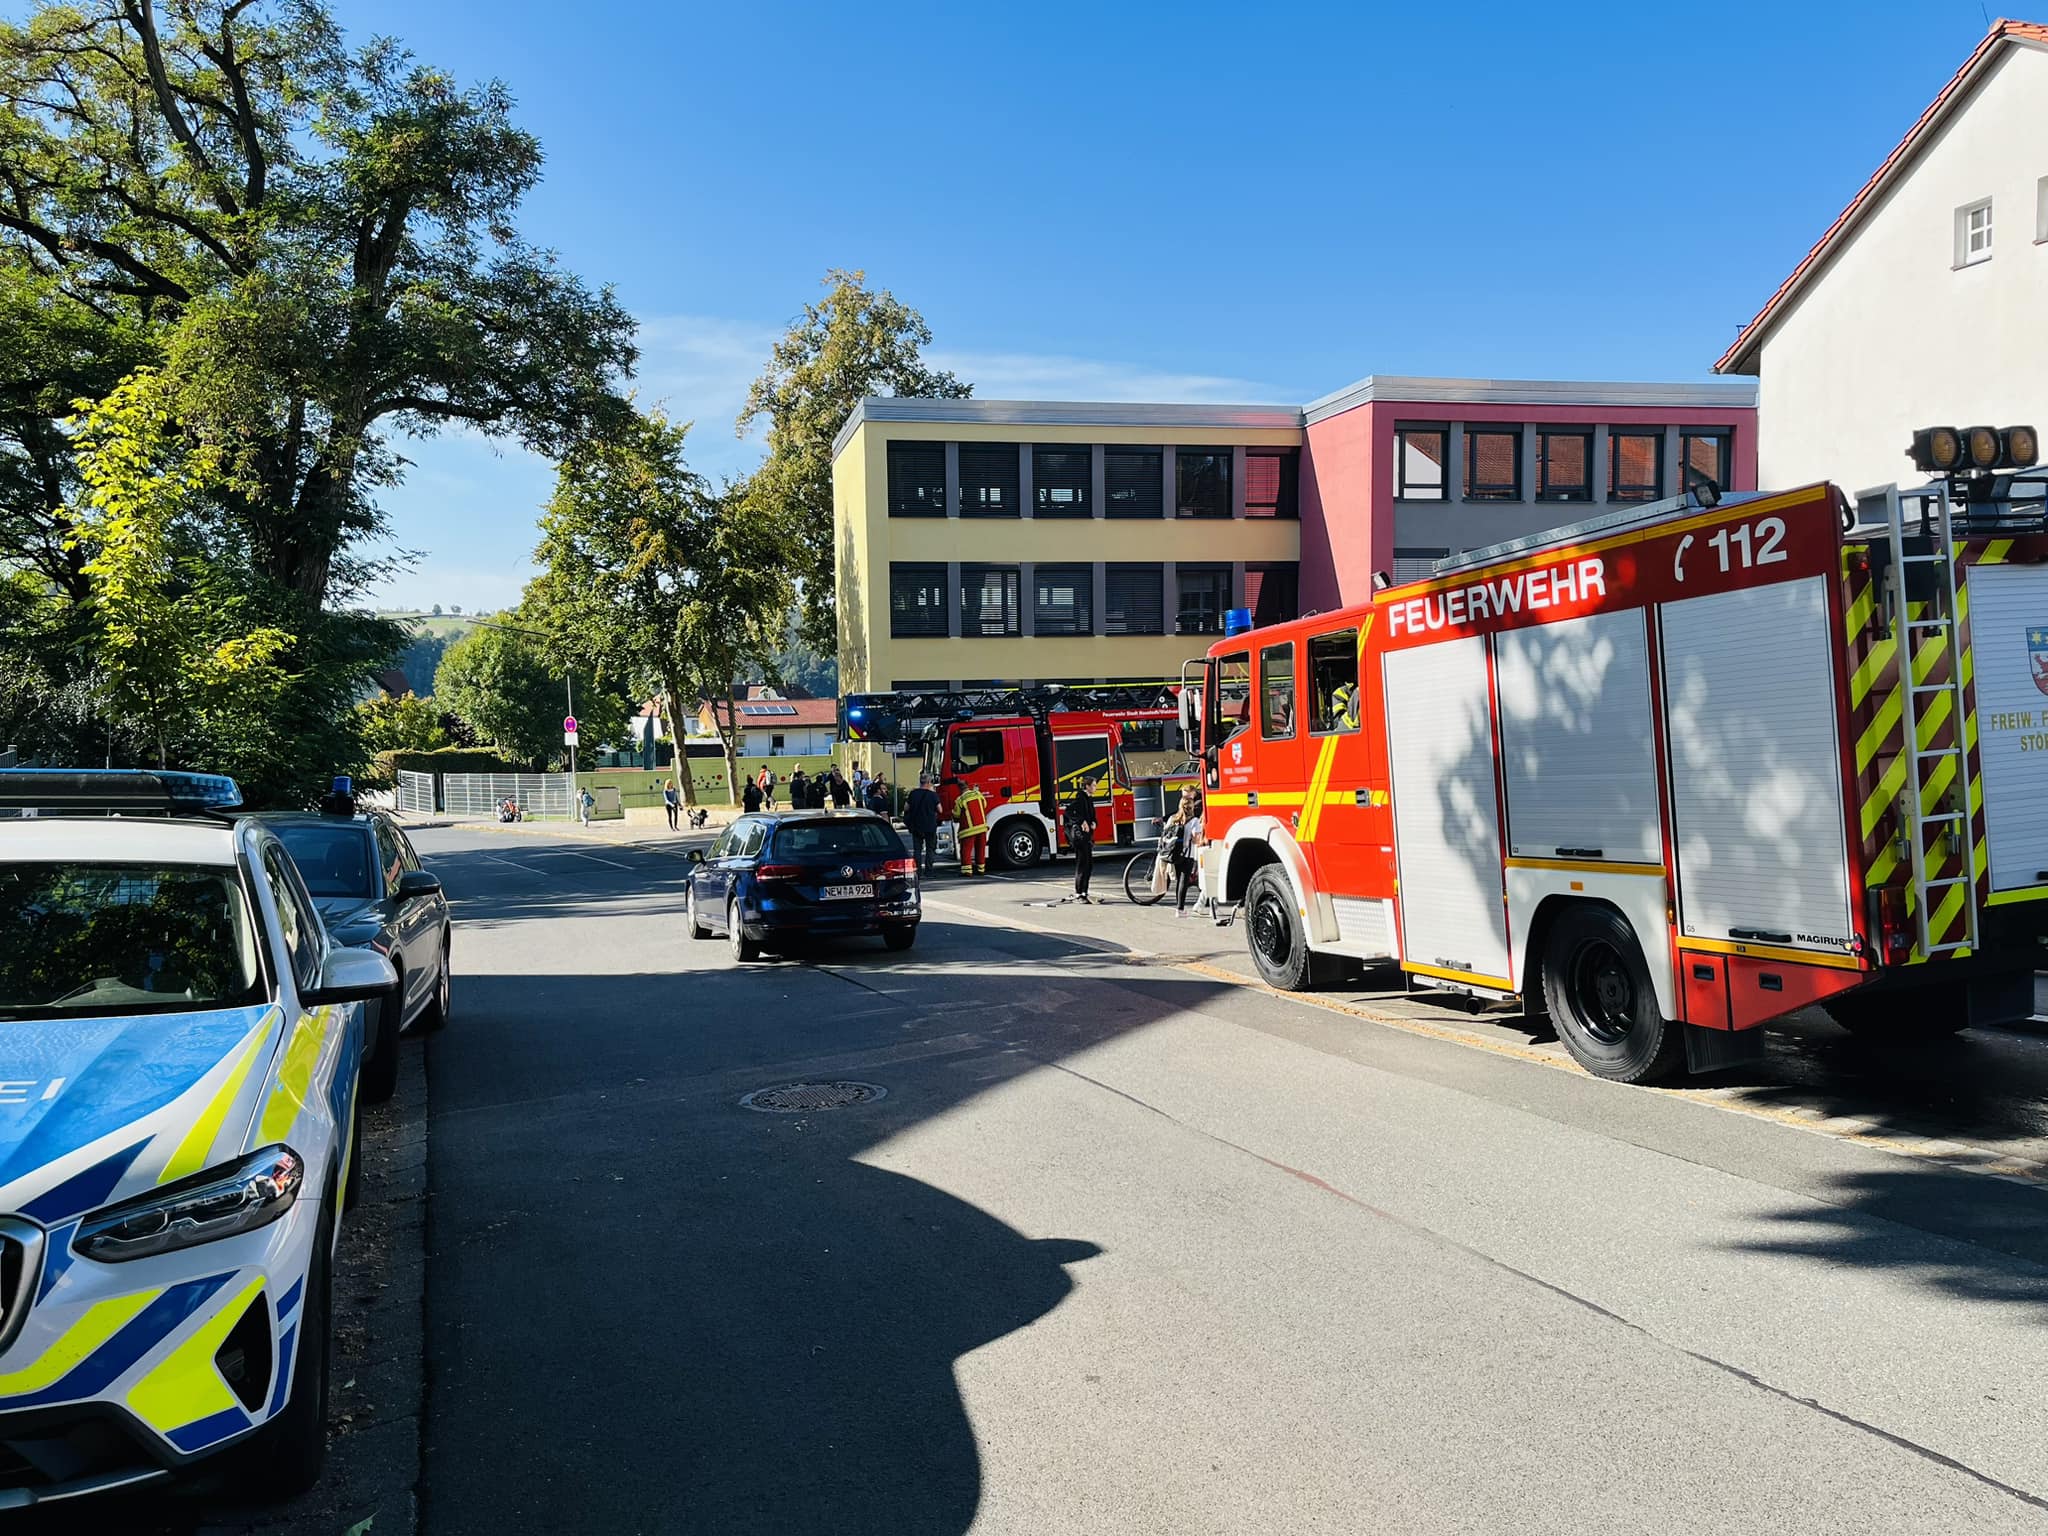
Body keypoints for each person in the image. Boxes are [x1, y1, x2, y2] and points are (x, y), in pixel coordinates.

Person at [1169, 784, 1206, 916]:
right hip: (1188, 854)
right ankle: (1180, 909)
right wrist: (1202, 841)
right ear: (1191, 808)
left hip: (1175, 853)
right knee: (1184, 882)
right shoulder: (1194, 821)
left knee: (1179, 881)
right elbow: (1196, 840)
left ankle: (1178, 907)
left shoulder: (1173, 819)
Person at [1064, 780, 1098, 902]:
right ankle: (1079, 893)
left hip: (1087, 837)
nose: (1096, 787)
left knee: (1089, 864)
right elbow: (1068, 812)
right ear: (1087, 786)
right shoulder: (1080, 798)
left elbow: (1092, 815)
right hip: (1080, 837)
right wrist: (1081, 821)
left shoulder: (1089, 799)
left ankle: (1085, 892)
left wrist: (1093, 822)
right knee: (1082, 864)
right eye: (1093, 785)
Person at [904, 773, 941, 874]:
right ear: (929, 782)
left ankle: (918, 871)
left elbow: (906, 808)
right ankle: (929, 870)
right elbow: (940, 810)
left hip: (916, 826)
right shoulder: (933, 795)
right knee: (930, 848)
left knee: (917, 850)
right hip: (930, 826)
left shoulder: (913, 793)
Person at [952, 778, 988, 875]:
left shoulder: (960, 800)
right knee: (981, 848)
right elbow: (984, 805)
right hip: (982, 827)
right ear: (968, 785)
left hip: (968, 830)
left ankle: (967, 871)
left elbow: (956, 814)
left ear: (959, 788)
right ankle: (981, 869)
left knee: (966, 850)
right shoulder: (978, 794)